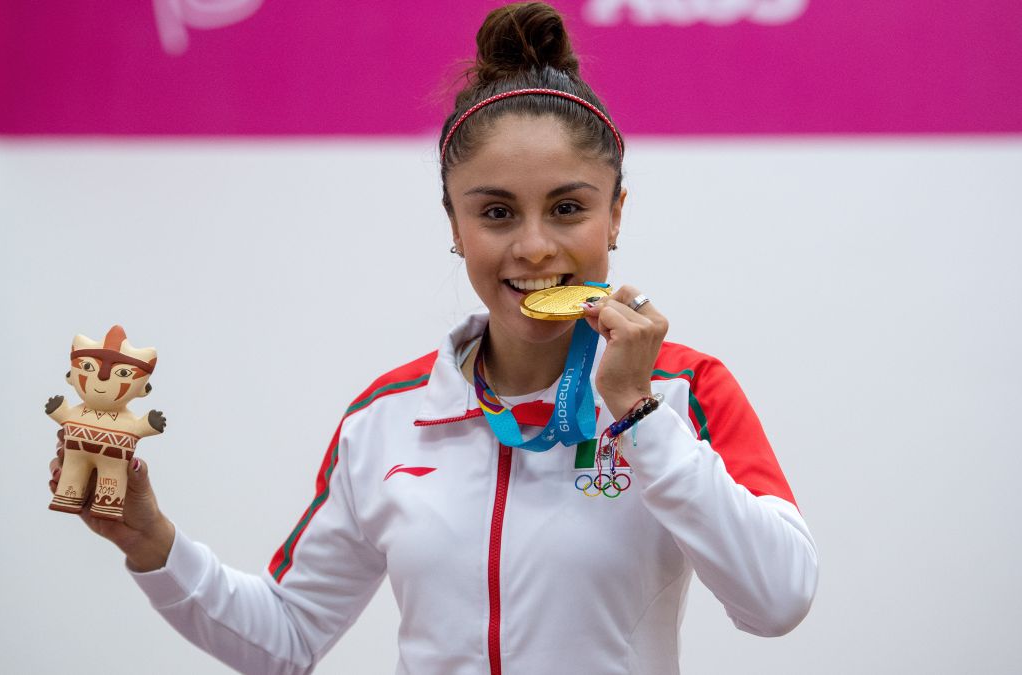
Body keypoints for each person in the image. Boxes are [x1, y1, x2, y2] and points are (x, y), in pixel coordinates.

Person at [47, 3, 818, 673]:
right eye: (495, 213)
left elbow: (778, 599)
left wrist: (636, 413)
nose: (536, 247)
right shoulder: (384, 418)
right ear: (454, 226)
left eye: (568, 208)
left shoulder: (684, 391)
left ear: (616, 213)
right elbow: (282, 641)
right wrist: (150, 541)